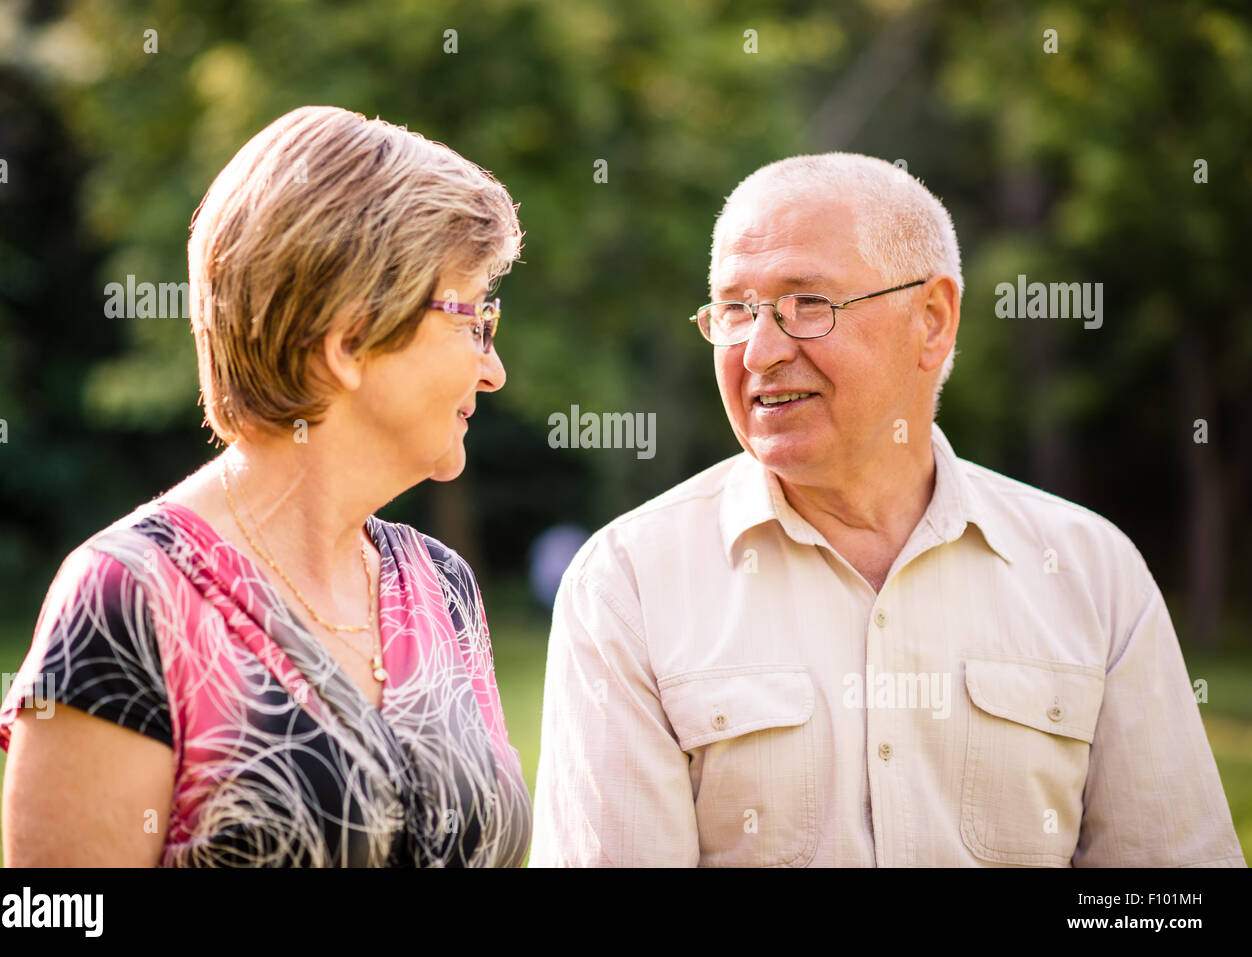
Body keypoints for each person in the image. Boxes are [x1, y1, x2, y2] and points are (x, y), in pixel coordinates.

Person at [529, 153, 1245, 867]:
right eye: (735, 310)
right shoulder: (626, 585)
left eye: (808, 304)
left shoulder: (1094, 573)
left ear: (932, 320)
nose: (760, 351)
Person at [0, 106, 531, 867]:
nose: (492, 367)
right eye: (472, 319)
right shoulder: (128, 598)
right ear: (349, 340)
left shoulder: (441, 586)